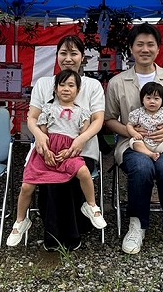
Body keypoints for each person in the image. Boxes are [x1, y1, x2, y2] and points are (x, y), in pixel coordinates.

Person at [104, 23, 163, 257]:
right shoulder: (118, 82)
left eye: (150, 44)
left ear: (158, 48)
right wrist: (132, 133)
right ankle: (137, 224)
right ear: (131, 48)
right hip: (132, 144)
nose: (145, 49)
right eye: (140, 44)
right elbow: (109, 120)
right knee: (142, 167)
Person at [7, 70, 106, 247]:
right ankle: (20, 222)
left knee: (83, 171)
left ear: (78, 90)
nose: (66, 89)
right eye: (62, 85)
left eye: (71, 85)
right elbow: (42, 134)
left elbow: (82, 137)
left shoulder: (82, 112)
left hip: (69, 152)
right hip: (49, 152)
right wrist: (46, 151)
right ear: (55, 88)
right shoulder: (48, 109)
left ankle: (91, 206)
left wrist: (72, 150)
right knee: (27, 185)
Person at [27, 34, 105, 251]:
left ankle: (72, 233)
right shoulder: (44, 84)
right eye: (63, 53)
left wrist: (80, 140)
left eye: (74, 53)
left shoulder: (92, 85)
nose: (68, 58)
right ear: (57, 56)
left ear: (83, 58)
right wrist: (40, 137)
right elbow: (32, 118)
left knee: (69, 176)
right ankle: (53, 235)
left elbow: (98, 120)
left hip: (84, 149)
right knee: (51, 177)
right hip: (47, 149)